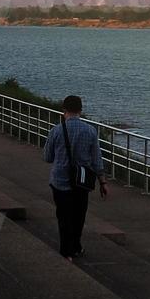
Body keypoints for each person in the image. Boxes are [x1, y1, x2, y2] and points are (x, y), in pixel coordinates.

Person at [42, 96, 107, 260]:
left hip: (59, 181)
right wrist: (102, 182)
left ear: (64, 109)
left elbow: (47, 157)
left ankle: (66, 251)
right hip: (82, 182)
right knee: (79, 216)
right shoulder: (90, 130)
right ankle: (76, 245)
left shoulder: (56, 130)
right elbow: (96, 160)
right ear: (81, 110)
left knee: (63, 216)